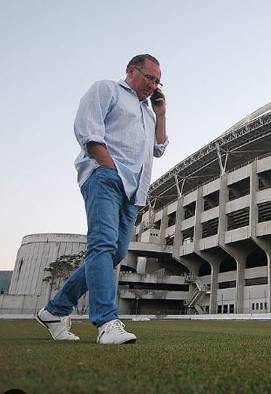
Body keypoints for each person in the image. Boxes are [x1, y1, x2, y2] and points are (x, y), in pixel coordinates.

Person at [35, 54, 168, 344]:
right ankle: (106, 322)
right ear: (132, 71)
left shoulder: (148, 111)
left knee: (115, 253)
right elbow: (87, 130)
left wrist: (161, 113)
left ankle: (55, 310)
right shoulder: (106, 90)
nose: (153, 85)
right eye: (149, 78)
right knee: (103, 245)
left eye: (158, 81)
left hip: (134, 191)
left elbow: (159, 148)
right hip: (105, 177)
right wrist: (109, 168)